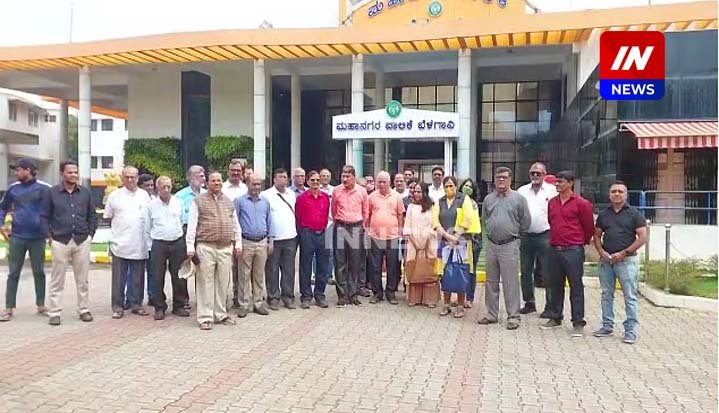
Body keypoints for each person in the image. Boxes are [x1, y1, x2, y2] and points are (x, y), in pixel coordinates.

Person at [41, 160, 97, 326]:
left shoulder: (85, 193)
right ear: (62, 174)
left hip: (81, 240)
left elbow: (92, 216)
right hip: (60, 240)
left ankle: (83, 309)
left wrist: (90, 235)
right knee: (57, 279)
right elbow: (44, 216)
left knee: (83, 279)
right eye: (70, 172)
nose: (74, 175)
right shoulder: (52, 193)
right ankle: (55, 312)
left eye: (75, 172)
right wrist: (49, 237)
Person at [186, 171, 242, 330]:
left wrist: (238, 243)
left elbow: (235, 224)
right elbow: (192, 225)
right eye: (213, 181)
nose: (216, 183)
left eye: (218, 180)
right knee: (205, 282)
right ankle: (205, 317)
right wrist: (190, 246)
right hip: (206, 246)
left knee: (223, 282)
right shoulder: (199, 201)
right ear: (207, 183)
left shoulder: (228, 201)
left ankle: (221, 314)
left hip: (225, 247)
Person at [541, 170, 595, 337]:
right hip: (554, 249)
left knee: (575, 286)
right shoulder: (552, 203)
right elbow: (551, 221)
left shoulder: (582, 204)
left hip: (573, 250)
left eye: (561, 182)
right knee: (555, 285)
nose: (557, 184)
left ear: (571, 183)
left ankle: (578, 322)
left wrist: (579, 242)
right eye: (556, 182)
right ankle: (555, 316)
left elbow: (588, 227)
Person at [593, 181, 647, 344]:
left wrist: (624, 253)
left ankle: (630, 331)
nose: (617, 194)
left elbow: (642, 237)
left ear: (626, 195)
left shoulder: (635, 214)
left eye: (620, 192)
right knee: (606, 294)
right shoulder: (604, 214)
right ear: (609, 195)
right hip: (607, 261)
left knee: (630, 296)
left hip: (627, 261)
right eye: (613, 191)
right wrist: (601, 252)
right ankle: (607, 326)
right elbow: (597, 235)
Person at [478, 167, 531, 330]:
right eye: (498, 177)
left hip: (510, 244)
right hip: (492, 245)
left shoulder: (518, 199)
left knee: (510, 282)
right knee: (491, 281)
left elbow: (525, 222)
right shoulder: (488, 199)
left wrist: (516, 239)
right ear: (494, 180)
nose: (501, 180)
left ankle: (513, 316)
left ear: (510, 179)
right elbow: (485, 219)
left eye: (504, 177)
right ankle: (492, 314)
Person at [0, 158, 50, 322]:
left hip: (38, 237)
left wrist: (51, 231)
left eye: (18, 170)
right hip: (17, 237)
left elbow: (54, 209)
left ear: (28, 170)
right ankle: (9, 307)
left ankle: (41, 305)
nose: (15, 173)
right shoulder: (13, 189)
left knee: (39, 272)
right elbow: (3, 208)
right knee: (13, 272)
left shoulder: (44, 188)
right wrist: (1, 225)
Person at [104, 166, 152, 319]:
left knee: (138, 277)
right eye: (127, 177)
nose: (130, 180)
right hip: (120, 243)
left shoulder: (144, 195)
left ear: (137, 178)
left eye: (133, 177)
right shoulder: (114, 196)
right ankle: (117, 307)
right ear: (122, 178)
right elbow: (109, 218)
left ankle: (136, 305)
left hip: (139, 242)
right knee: (119, 279)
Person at [146, 176, 189, 320]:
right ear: (157, 188)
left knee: (179, 276)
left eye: (168, 187)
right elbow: (147, 227)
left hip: (177, 242)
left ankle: (179, 305)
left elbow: (181, 221)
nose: (166, 189)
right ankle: (159, 307)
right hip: (159, 243)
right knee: (157, 276)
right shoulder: (151, 205)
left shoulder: (178, 202)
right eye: (163, 187)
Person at [516, 162, 557, 315]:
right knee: (526, 271)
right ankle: (529, 303)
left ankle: (550, 306)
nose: (535, 175)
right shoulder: (522, 191)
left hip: (545, 235)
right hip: (526, 236)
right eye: (532, 173)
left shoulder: (552, 191)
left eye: (538, 173)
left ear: (544, 174)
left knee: (548, 271)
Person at [433, 176, 474, 318]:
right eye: (446, 186)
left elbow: (468, 218)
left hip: (461, 243)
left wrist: (456, 236)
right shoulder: (440, 201)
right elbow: (435, 221)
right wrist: (448, 236)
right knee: (445, 273)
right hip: (445, 242)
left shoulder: (463, 199)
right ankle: (446, 304)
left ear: (456, 186)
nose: (449, 188)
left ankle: (461, 306)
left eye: (451, 186)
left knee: (460, 273)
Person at [234, 174, 273, 317]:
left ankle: (258, 303)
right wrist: (237, 243)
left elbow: (269, 221)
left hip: (262, 242)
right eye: (254, 184)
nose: (256, 187)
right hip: (246, 242)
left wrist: (270, 240)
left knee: (259, 275)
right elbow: (235, 222)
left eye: (259, 184)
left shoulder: (265, 202)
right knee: (244, 275)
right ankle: (243, 304)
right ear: (247, 185)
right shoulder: (239, 201)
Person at [332, 165, 369, 307]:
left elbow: (365, 211)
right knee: (340, 262)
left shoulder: (362, 191)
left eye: (348, 176)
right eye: (343, 176)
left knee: (355, 262)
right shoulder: (336, 191)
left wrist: (360, 226)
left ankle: (353, 294)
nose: (345, 179)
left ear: (354, 177)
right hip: (341, 227)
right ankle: (342, 295)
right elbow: (334, 210)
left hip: (356, 228)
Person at [262, 168, 298, 310]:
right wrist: (268, 238)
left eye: (285, 177)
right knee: (272, 269)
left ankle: (288, 297)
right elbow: (265, 217)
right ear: (274, 179)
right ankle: (273, 297)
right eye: (280, 177)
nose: (283, 179)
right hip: (274, 239)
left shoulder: (291, 194)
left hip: (290, 237)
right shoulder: (266, 195)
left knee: (289, 269)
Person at [367, 171, 404, 305]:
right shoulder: (371, 197)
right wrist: (367, 231)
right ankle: (377, 293)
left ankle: (391, 292)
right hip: (375, 236)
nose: (381, 184)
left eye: (384, 182)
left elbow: (400, 214)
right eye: (379, 182)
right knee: (375, 266)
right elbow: (368, 215)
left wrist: (400, 230)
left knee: (392, 266)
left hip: (392, 236)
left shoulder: (396, 197)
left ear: (389, 182)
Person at [296, 170, 331, 309]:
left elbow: (327, 214)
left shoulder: (325, 197)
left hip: (322, 233)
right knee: (305, 266)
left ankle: (320, 295)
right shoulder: (302, 198)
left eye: (317, 180)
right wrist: (302, 233)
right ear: (307, 182)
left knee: (322, 266)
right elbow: (298, 217)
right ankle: (306, 296)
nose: (315, 182)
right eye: (312, 180)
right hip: (307, 233)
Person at [404, 183, 440, 307]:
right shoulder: (411, 207)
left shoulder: (432, 207)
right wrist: (416, 244)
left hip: (429, 243)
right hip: (413, 244)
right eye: (415, 192)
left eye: (419, 192)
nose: (416, 194)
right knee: (414, 268)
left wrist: (425, 242)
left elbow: (434, 226)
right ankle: (414, 299)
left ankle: (429, 300)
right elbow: (407, 227)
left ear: (425, 193)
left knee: (429, 269)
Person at [222, 159, 248, 309]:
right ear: (228, 171)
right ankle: (222, 300)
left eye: (238, 170)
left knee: (240, 269)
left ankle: (238, 297)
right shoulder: (222, 188)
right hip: (224, 234)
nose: (236, 173)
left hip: (241, 235)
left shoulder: (246, 188)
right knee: (224, 269)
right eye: (233, 170)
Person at [458, 178, 482, 308]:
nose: (467, 188)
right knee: (460, 270)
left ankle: (469, 298)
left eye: (470, 187)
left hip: (472, 241)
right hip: (458, 241)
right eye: (465, 186)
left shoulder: (473, 204)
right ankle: (460, 297)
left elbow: (472, 222)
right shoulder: (456, 202)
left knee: (471, 270)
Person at [137, 173, 156, 307]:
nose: (150, 188)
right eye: (147, 186)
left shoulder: (155, 200)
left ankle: (152, 296)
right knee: (137, 273)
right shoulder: (137, 199)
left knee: (153, 271)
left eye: (151, 185)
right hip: (138, 241)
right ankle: (133, 298)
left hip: (153, 242)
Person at [176, 165, 206, 229]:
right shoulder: (180, 196)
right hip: (187, 228)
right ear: (191, 179)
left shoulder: (206, 194)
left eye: (204, 176)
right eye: (201, 176)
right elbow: (178, 217)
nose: (204, 179)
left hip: (205, 228)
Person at [318, 168, 335, 286]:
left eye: (327, 176)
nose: (325, 178)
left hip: (330, 223)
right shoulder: (314, 189)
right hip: (318, 223)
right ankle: (316, 275)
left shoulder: (334, 190)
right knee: (317, 251)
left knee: (330, 251)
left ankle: (328, 275)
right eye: (323, 175)